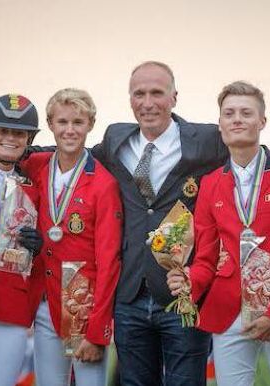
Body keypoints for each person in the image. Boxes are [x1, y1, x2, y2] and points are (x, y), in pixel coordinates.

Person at [91, 61, 228, 386]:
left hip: (181, 292)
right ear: (130, 99)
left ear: (174, 97)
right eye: (140, 94)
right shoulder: (115, 139)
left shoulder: (206, 139)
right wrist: (15, 152)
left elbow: (248, 151)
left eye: (157, 93)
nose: (148, 102)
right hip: (130, 293)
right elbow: (74, 154)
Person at [167, 81, 270, 386]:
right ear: (220, 124)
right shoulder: (209, 184)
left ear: (262, 121)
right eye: (229, 113)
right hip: (228, 312)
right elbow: (206, 257)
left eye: (246, 113)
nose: (237, 119)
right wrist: (188, 280)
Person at [22, 88, 122, 386]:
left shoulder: (104, 183)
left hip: (83, 305)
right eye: (62, 122)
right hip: (44, 301)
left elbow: (109, 260)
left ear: (91, 124)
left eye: (78, 122)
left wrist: (98, 328)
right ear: (50, 124)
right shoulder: (36, 165)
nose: (69, 130)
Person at [0, 94, 43, 386]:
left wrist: (38, 247)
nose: (11, 138)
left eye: (19, 133)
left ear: (28, 140)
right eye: (3, 131)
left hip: (11, 307)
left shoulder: (36, 188)